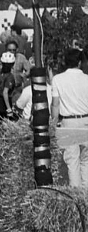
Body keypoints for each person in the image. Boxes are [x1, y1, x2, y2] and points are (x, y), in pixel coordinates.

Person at [50, 48, 88, 188]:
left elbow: (55, 104)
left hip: (68, 121)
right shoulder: (86, 79)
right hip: (86, 120)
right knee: (86, 160)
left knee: (73, 161)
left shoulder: (57, 79)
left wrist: (53, 124)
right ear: (79, 62)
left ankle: (76, 194)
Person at [0, 52, 19, 124]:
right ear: (12, 64)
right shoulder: (9, 76)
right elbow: (5, 93)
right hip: (5, 102)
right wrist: (9, 109)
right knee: (8, 124)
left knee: (1, 123)